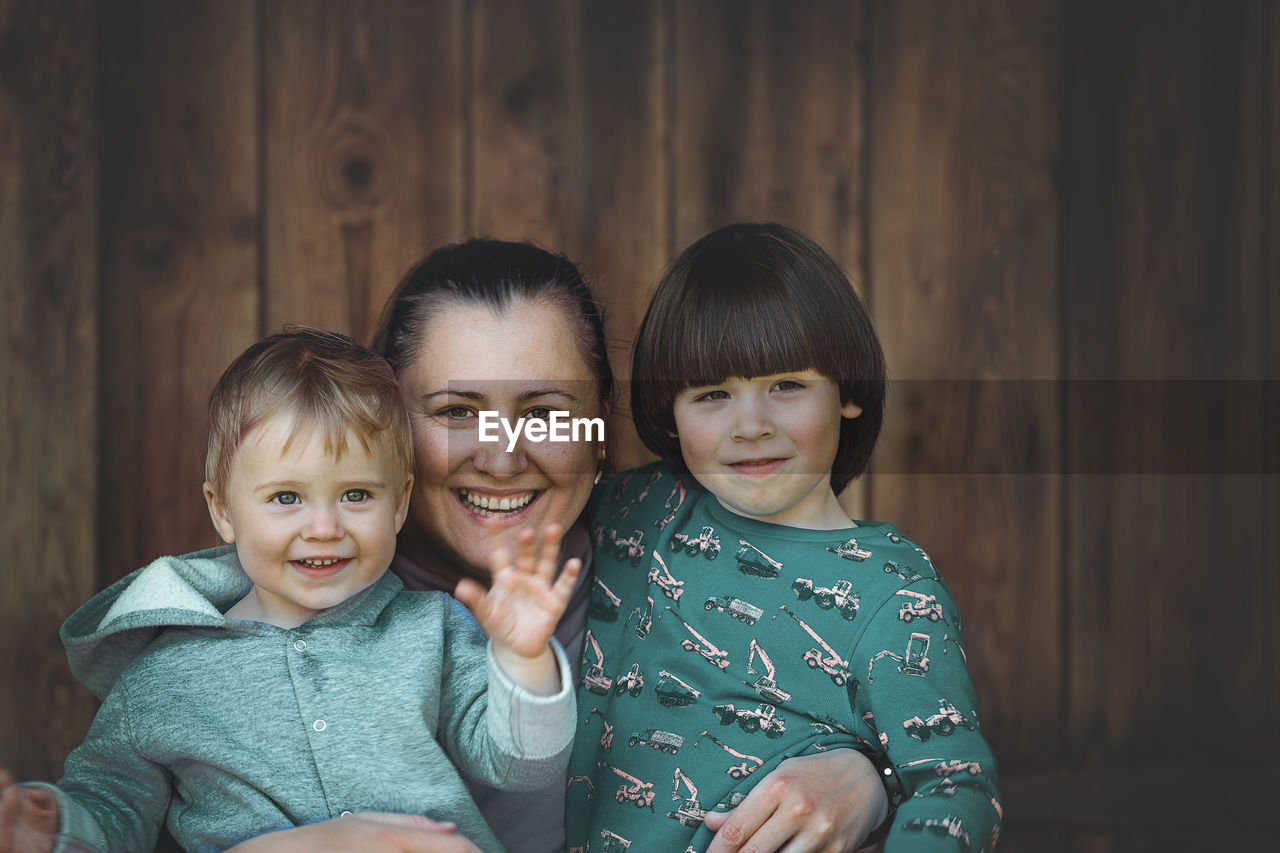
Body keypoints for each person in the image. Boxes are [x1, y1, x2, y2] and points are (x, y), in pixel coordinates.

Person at [38, 241, 893, 853]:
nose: (501, 451)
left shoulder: (689, 574)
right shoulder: (254, 611)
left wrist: (866, 779)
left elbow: (905, 719)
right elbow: (119, 807)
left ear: (601, 430)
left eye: (547, 412)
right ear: (383, 429)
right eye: (454, 411)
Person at [0, 329, 580, 853]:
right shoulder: (162, 677)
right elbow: (115, 812)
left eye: (356, 495)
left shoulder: (431, 629)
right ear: (223, 511)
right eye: (286, 498)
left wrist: (523, 660)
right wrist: (48, 827)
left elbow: (518, 765)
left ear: (399, 502)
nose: (325, 527)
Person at [565, 223, 1003, 851]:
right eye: (713, 394)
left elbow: (955, 788)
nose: (751, 426)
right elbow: (528, 474)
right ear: (669, 411)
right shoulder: (638, 509)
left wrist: (878, 780)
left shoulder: (894, 593)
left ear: (848, 390)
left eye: (786, 385)